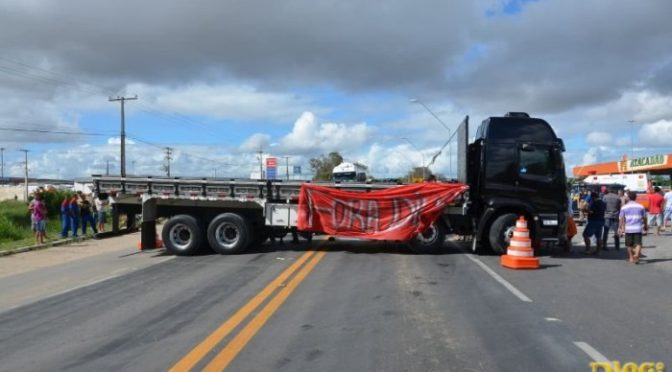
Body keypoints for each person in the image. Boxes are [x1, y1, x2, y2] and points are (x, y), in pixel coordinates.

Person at [619, 191, 648, 264]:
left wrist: (620, 227)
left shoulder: (624, 207)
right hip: (638, 228)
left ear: (628, 198)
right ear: (635, 198)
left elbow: (621, 218)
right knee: (638, 243)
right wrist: (645, 226)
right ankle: (637, 255)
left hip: (628, 228)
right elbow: (645, 217)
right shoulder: (641, 206)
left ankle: (631, 257)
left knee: (629, 244)